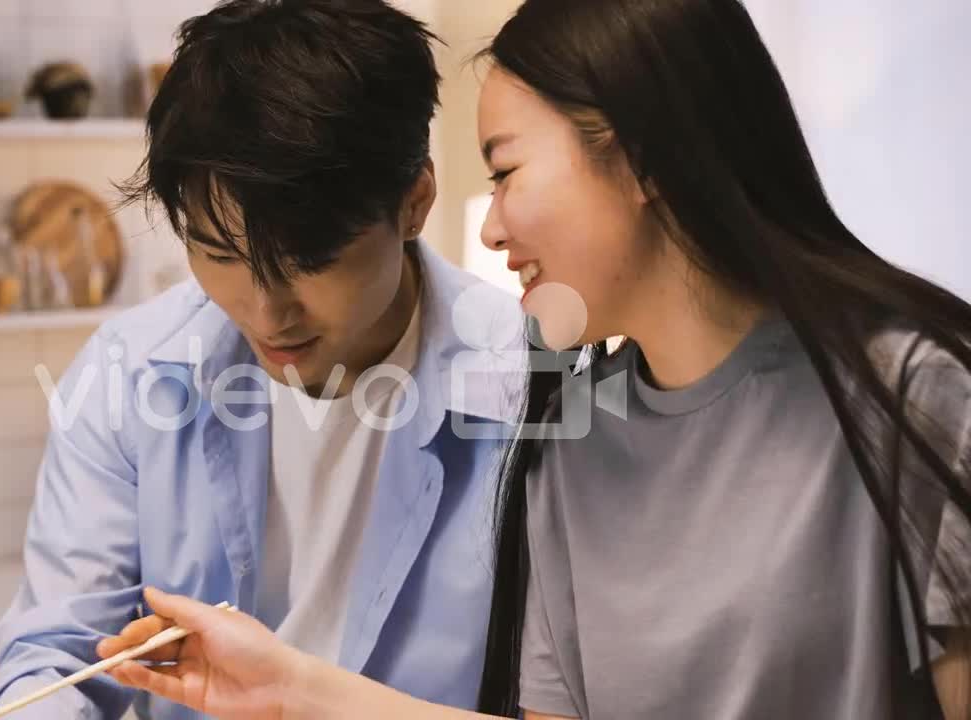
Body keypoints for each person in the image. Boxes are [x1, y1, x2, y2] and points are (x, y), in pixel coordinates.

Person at [97, 0, 971, 718]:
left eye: (506, 172)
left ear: (642, 161)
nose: (491, 227)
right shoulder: (568, 436)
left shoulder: (912, 398)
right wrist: (286, 688)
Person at [0, 2, 524, 719]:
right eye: (219, 254)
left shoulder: (530, 386)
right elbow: (56, 656)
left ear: (414, 201)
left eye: (310, 260)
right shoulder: (129, 372)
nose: (267, 314)